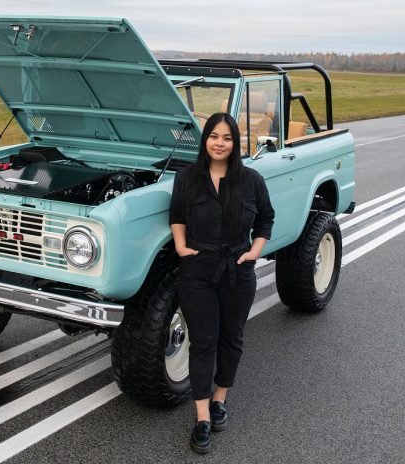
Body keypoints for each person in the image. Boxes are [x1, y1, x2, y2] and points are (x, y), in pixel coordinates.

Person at [169, 112, 274, 454]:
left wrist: (254, 252)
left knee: (233, 338)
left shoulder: (251, 180)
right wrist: (182, 246)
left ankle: (219, 399)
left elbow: (266, 219)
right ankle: (201, 417)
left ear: (235, 143)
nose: (219, 143)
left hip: (237, 270)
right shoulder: (187, 178)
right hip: (198, 272)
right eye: (214, 136)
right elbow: (177, 215)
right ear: (205, 140)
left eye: (227, 138)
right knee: (203, 342)